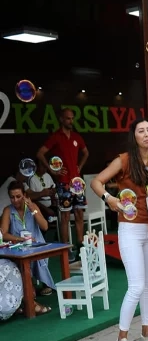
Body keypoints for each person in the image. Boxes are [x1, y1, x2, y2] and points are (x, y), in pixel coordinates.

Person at [92, 118, 148, 341]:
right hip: (129, 229)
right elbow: (96, 182)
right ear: (133, 136)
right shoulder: (124, 159)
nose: (147, 134)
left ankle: (146, 334)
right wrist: (109, 198)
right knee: (136, 286)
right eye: (141, 130)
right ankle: (121, 339)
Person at [36, 108, 90, 259]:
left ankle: (80, 247)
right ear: (61, 119)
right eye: (67, 118)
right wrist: (52, 171)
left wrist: (79, 166)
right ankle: (66, 249)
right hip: (63, 183)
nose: (70, 121)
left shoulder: (76, 137)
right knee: (65, 217)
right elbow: (40, 153)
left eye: (72, 118)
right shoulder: (55, 137)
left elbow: (86, 153)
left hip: (77, 183)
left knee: (79, 214)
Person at [1, 181, 56, 310]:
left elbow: (45, 226)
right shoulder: (8, 210)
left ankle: (32, 293)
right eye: (12, 197)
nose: (15, 200)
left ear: (25, 195)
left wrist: (33, 210)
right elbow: (3, 234)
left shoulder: (33, 207)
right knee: (21, 261)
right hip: (18, 247)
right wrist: (20, 239)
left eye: (18, 196)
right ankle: (27, 297)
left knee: (33, 258)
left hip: (37, 245)